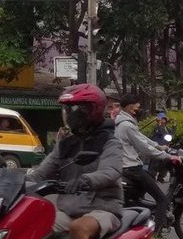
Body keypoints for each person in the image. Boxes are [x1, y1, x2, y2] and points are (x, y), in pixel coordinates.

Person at [26, 84, 124, 239]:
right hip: (69, 211)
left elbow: (110, 171)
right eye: (67, 110)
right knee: (31, 225)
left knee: (79, 228)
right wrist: (12, 180)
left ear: (93, 110)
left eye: (76, 109)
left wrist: (85, 180)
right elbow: (40, 174)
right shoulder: (66, 144)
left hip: (102, 210)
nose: (71, 115)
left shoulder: (109, 142)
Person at [115, 93, 180, 229]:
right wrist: (167, 156)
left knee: (141, 195)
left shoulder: (124, 123)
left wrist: (159, 146)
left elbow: (142, 138)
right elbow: (144, 148)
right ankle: (157, 232)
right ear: (129, 107)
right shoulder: (127, 125)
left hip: (126, 168)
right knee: (162, 200)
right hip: (132, 169)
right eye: (137, 106)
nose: (139, 108)